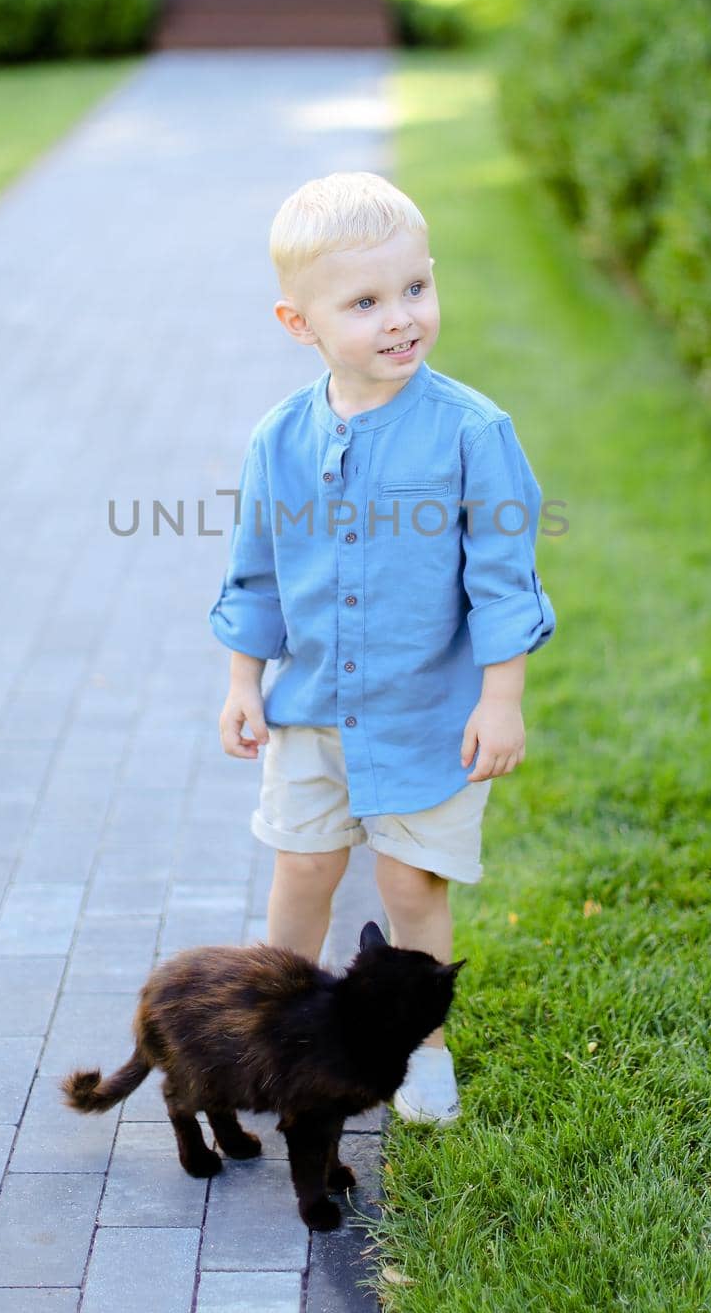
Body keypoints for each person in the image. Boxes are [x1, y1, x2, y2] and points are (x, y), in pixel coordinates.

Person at [209, 171, 557, 1124]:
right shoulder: (279, 441)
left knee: (410, 880)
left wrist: (500, 698)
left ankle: (421, 1049)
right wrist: (244, 681)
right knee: (305, 871)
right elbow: (257, 572)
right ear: (299, 322)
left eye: (414, 289)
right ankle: (277, 1032)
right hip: (312, 708)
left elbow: (502, 581)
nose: (401, 319)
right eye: (364, 303)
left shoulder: (471, 433)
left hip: (427, 716)